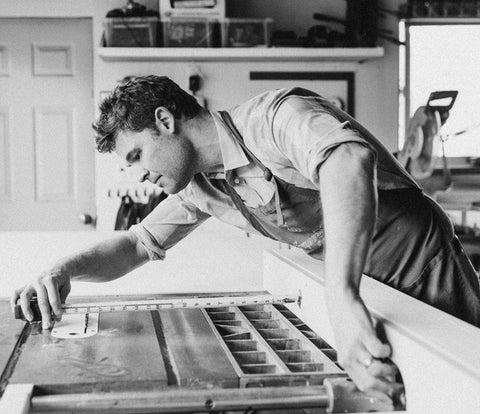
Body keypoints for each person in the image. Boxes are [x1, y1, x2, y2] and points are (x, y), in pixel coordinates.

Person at [11, 75, 480, 399]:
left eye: (136, 155)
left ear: (166, 121)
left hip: (423, 272)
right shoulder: (201, 185)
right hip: (369, 299)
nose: (140, 174)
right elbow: (136, 243)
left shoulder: (275, 117)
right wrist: (63, 270)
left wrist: (341, 297)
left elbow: (346, 160)